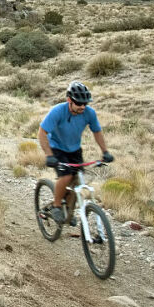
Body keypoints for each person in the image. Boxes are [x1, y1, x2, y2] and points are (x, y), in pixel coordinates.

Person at [37, 81, 113, 224]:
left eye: (85, 103)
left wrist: (105, 151)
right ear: (69, 100)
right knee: (66, 176)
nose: (83, 106)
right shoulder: (58, 111)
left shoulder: (89, 113)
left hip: (75, 150)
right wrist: (49, 155)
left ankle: (68, 213)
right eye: (79, 103)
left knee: (77, 181)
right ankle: (57, 206)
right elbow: (42, 132)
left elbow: (97, 132)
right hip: (57, 148)